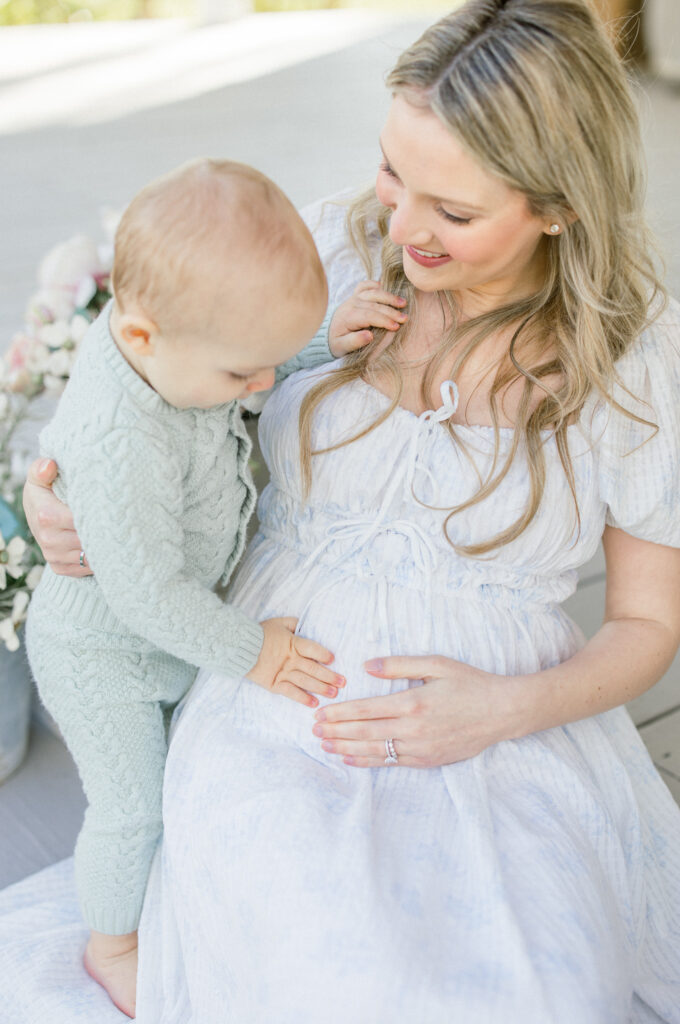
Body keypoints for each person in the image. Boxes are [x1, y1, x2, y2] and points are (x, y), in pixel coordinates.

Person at [21, 1, 680, 1021]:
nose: (402, 226)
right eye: (391, 172)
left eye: (451, 212)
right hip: (276, 693)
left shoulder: (635, 351)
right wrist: (54, 495)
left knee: (531, 988)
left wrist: (499, 712)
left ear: (558, 207)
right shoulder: (329, 244)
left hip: (506, 718)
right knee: (315, 965)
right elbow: (151, 388)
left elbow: (646, 624)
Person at [23, 158, 401, 1018]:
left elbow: (241, 354)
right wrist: (254, 653)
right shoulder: (125, 439)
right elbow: (147, 595)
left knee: (188, 776)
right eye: (244, 377)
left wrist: (316, 343)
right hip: (103, 653)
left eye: (269, 365)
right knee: (131, 808)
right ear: (145, 335)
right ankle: (110, 942)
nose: (260, 389)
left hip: (165, 629)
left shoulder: (176, 348)